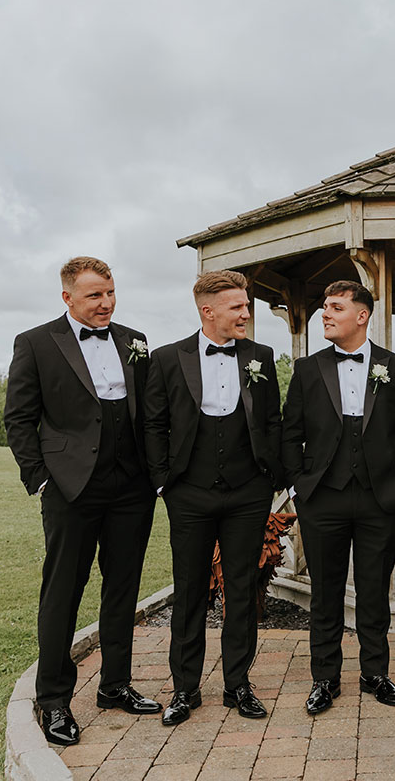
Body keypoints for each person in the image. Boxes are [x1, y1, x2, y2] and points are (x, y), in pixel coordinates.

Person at [4, 256, 160, 746]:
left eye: (111, 292)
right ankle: (53, 701)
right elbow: (18, 419)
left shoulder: (134, 340)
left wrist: (154, 475)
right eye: (95, 295)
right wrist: (42, 481)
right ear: (68, 297)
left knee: (123, 589)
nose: (106, 303)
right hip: (71, 488)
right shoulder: (35, 342)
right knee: (62, 593)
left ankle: (115, 685)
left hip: (131, 486)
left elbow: (149, 410)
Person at [281, 280, 395, 715]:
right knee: (325, 593)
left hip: (381, 498)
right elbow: (290, 433)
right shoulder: (308, 369)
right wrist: (297, 488)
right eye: (324, 307)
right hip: (321, 498)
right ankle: (324, 679)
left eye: (335, 307)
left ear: (361, 316)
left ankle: (375, 673)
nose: (325, 314)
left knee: (373, 590)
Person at [144, 270, 283, 726]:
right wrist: (165, 482)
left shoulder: (260, 356)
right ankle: (184, 690)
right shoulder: (167, 359)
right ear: (209, 311)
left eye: (247, 306)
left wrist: (271, 478)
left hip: (248, 492)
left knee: (241, 590)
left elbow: (272, 421)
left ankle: (238, 685)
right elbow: (154, 424)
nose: (246, 313)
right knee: (189, 592)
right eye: (237, 307)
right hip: (189, 493)